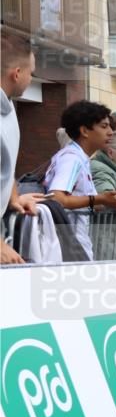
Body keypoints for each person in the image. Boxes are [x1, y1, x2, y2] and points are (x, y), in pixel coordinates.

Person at [45, 101, 116, 259]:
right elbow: (56, 198)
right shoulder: (72, 159)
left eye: (110, 126)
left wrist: (111, 200)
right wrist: (99, 198)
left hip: (73, 244)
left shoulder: (79, 157)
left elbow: (81, 200)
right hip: (67, 248)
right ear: (84, 131)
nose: (111, 132)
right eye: (104, 126)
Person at [1, 32, 36, 264]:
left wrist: (12, 195)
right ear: (17, 73)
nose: (32, 79)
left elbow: (5, 164)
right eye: (32, 73)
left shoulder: (9, 107)